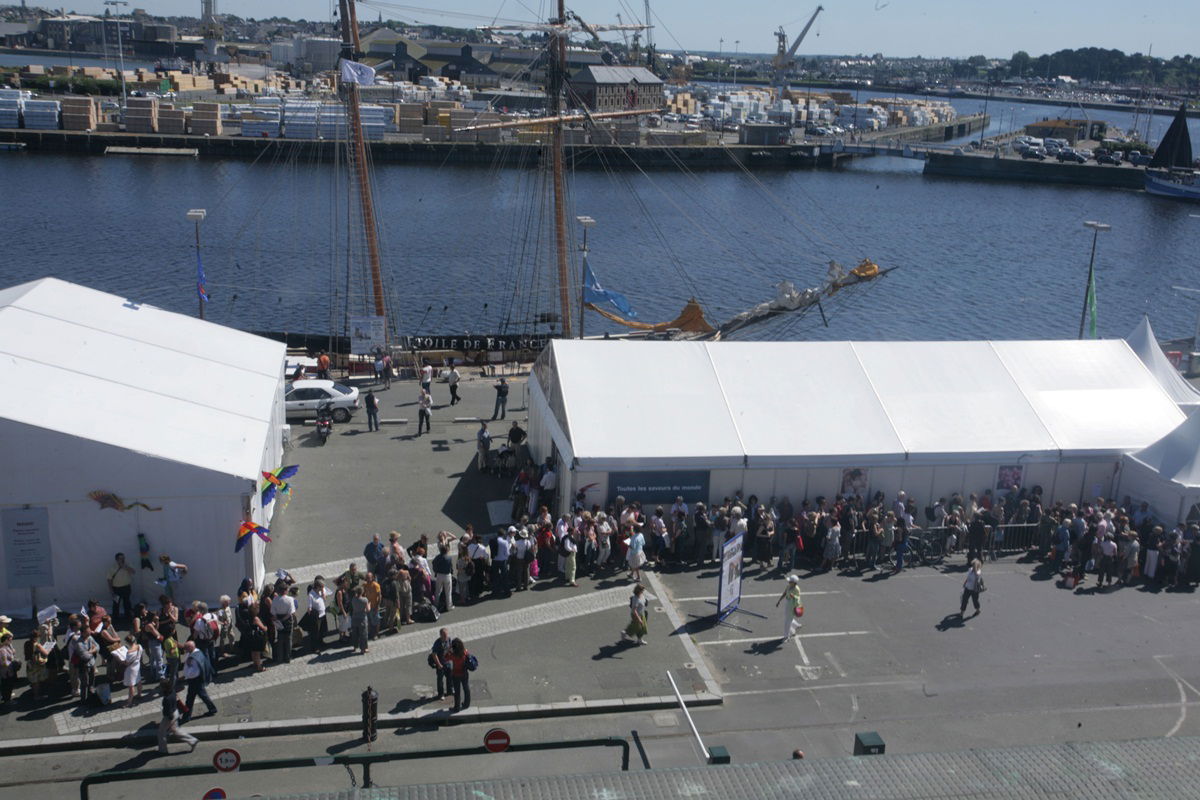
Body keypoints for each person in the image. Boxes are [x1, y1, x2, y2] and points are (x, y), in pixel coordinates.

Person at [157, 679, 198, 754]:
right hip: (176, 712)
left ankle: (162, 750)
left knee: (161, 732)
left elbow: (168, 712)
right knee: (176, 730)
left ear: (164, 688)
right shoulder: (172, 691)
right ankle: (192, 740)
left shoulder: (166, 699)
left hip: (170, 716)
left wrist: (170, 721)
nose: (160, 688)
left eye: (161, 686)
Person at [180, 641, 217, 722]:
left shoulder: (193, 658)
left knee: (190, 699)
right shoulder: (197, 652)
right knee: (203, 696)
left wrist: (186, 675)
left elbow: (194, 672)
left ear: (190, 648)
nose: (185, 650)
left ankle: (186, 717)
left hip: (194, 681)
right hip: (197, 680)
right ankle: (212, 709)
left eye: (186, 648)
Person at [107, 552, 135, 621]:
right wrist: (111, 590)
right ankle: (116, 618)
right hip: (116, 589)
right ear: (116, 559)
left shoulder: (127, 565)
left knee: (127, 602)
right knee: (116, 603)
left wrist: (124, 567)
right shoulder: (113, 567)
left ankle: (128, 617)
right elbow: (109, 579)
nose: (122, 560)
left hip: (126, 587)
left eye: (123, 558)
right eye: (120, 558)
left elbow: (133, 572)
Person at [447, 637, 472, 711]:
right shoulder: (465, 652)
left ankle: (457, 707)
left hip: (456, 674)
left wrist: (449, 649)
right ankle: (466, 704)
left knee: (457, 691)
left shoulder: (453, 655)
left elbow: (445, 658)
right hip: (464, 673)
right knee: (466, 688)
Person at [776, 574, 804, 641]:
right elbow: (785, 593)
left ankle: (786, 636)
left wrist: (793, 596)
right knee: (787, 618)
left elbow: (798, 599)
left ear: (794, 583)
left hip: (792, 605)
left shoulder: (797, 589)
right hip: (787, 603)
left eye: (790, 581)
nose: (788, 582)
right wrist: (779, 600)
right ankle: (796, 625)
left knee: (787, 622)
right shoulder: (788, 586)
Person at [429, 628, 452, 699]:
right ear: (441, 635)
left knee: (450, 677)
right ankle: (441, 694)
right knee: (440, 680)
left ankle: (449, 691)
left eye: (446, 635)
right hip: (441, 664)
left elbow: (450, 648)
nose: (446, 637)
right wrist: (438, 664)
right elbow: (434, 654)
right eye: (444, 636)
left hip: (448, 663)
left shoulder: (449, 639)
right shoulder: (437, 643)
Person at [121, 634, 142, 707]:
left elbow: (126, 663)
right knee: (138, 680)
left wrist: (119, 658)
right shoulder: (139, 646)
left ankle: (129, 702)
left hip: (131, 669)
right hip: (137, 666)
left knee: (131, 686)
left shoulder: (129, 652)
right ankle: (139, 694)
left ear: (128, 642)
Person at [350, 586, 370, 654]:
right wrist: (369, 604)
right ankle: (363, 648)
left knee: (355, 633)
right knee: (363, 634)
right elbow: (368, 609)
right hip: (362, 618)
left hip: (354, 618)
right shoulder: (365, 600)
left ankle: (355, 646)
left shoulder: (353, 599)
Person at [0, 633, 17, 707]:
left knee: (8, 685)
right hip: (6, 671)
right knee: (7, 685)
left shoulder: (6, 647)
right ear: (6, 640)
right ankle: (7, 700)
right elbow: (4, 663)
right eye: (10, 640)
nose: (11, 641)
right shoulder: (2, 650)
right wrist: (12, 661)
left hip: (9, 670)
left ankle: (7, 697)